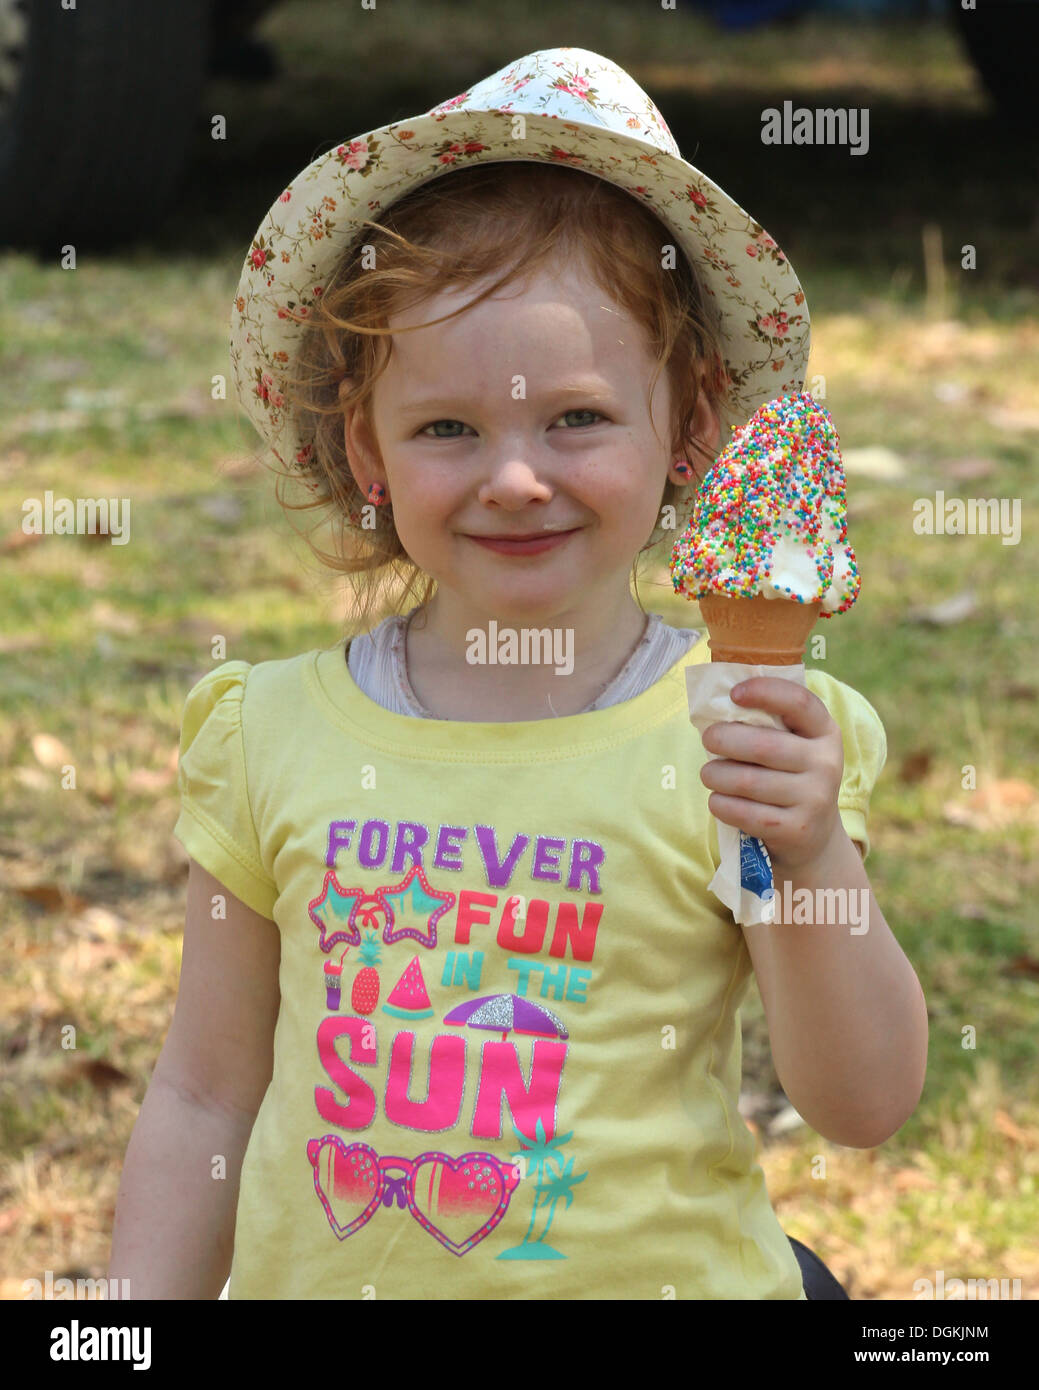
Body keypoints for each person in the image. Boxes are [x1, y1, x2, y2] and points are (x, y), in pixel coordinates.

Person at [109, 47, 927, 1300]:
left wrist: (807, 855)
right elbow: (207, 1095)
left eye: (578, 417)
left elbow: (861, 1101)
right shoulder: (266, 734)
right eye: (448, 427)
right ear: (364, 448)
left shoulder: (748, 736)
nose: (515, 477)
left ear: (691, 426)